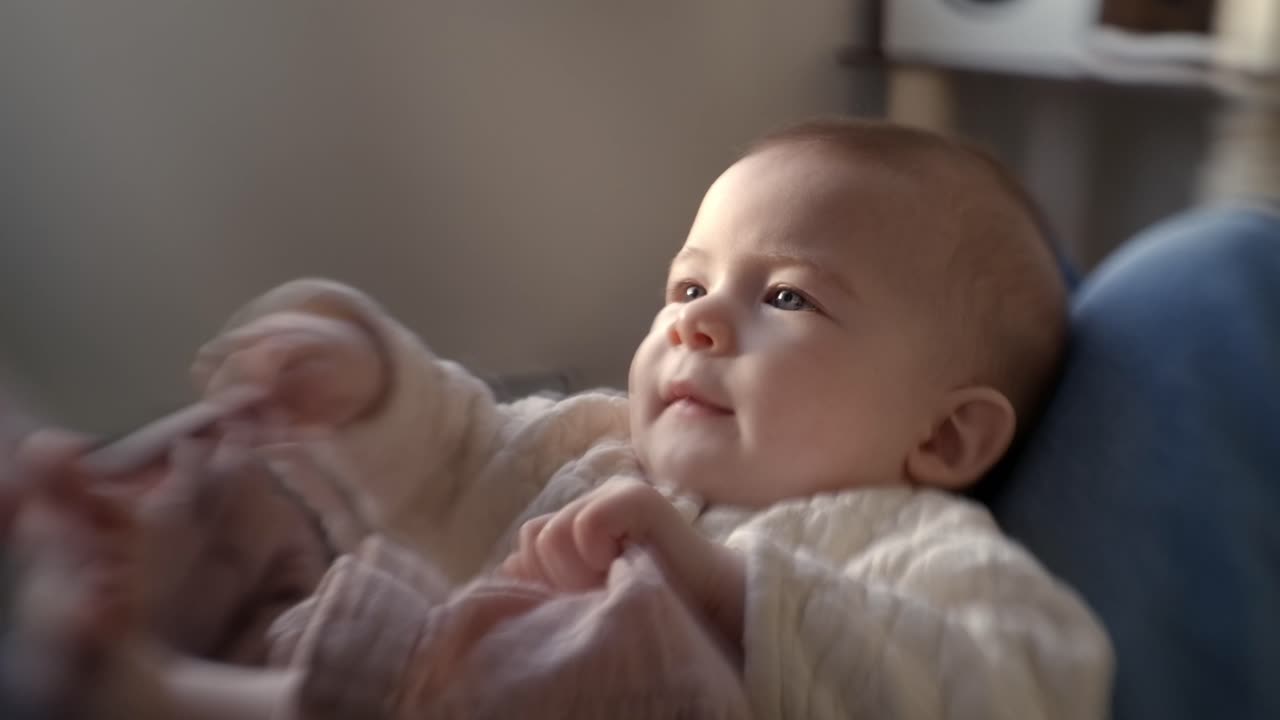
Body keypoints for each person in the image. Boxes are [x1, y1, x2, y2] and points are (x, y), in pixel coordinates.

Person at [2, 118, 1113, 719]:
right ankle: (109, 567)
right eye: (685, 288)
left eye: (784, 298)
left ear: (944, 438)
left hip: (474, 689)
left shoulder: (919, 548)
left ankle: (159, 692)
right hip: (344, 656)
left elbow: (1029, 685)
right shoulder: (600, 449)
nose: (697, 326)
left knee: (615, 645)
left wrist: (721, 591)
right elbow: (460, 456)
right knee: (260, 483)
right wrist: (368, 381)